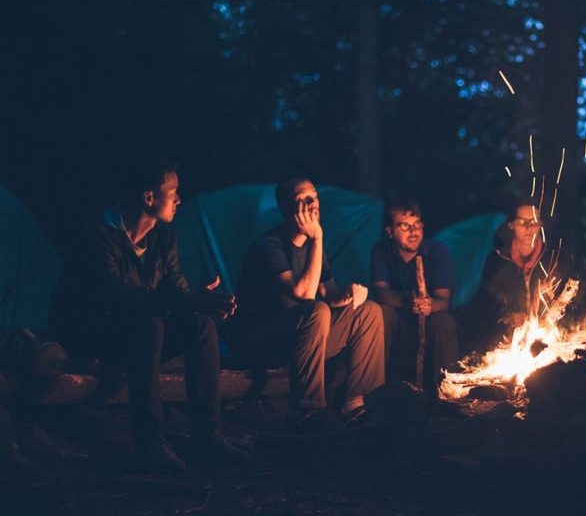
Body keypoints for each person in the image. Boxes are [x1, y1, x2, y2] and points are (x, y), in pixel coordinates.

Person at [49, 159, 246, 473]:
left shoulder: (162, 238)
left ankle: (208, 433)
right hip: (94, 337)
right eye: (174, 192)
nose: (179, 200)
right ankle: (150, 442)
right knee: (149, 326)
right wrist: (184, 299)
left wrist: (195, 300)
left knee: (199, 325)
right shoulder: (99, 237)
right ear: (149, 198)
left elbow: (173, 287)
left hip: (136, 335)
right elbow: (116, 298)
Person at [233, 177, 385, 429]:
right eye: (303, 199)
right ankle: (307, 409)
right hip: (262, 340)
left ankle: (357, 403)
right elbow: (303, 293)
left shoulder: (314, 247)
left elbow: (329, 292)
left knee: (368, 312)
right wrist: (317, 238)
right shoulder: (269, 245)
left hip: (304, 339)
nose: (312, 204)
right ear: (284, 207)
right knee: (316, 310)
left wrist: (350, 293)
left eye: (314, 197)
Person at [370, 197, 459, 391]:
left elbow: (444, 300)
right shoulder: (382, 251)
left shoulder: (437, 251)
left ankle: (447, 391)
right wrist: (406, 301)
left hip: (428, 324)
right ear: (390, 231)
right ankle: (376, 389)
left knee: (443, 321)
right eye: (404, 226)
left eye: (417, 224)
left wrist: (429, 305)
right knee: (381, 313)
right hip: (399, 325)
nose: (413, 231)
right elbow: (380, 292)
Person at [460, 199, 547, 352]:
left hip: (546, 336)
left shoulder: (552, 259)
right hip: (506, 340)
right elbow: (485, 305)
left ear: (541, 224)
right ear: (511, 225)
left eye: (534, 221)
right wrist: (507, 316)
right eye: (522, 222)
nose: (529, 227)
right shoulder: (497, 261)